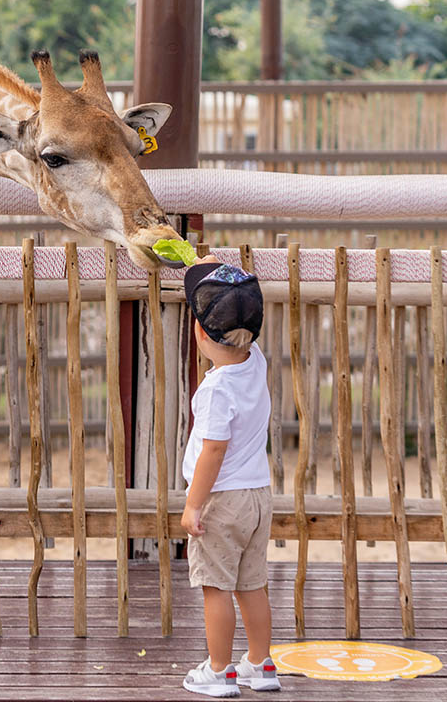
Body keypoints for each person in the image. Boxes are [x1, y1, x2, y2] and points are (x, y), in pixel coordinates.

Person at [179, 256, 280, 698]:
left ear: (200, 333)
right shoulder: (254, 359)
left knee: (216, 588)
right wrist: (211, 265)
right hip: (258, 497)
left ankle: (219, 671)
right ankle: (261, 663)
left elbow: (212, 452)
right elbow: (237, 310)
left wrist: (193, 504)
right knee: (251, 585)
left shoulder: (217, 389)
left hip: (222, 501)